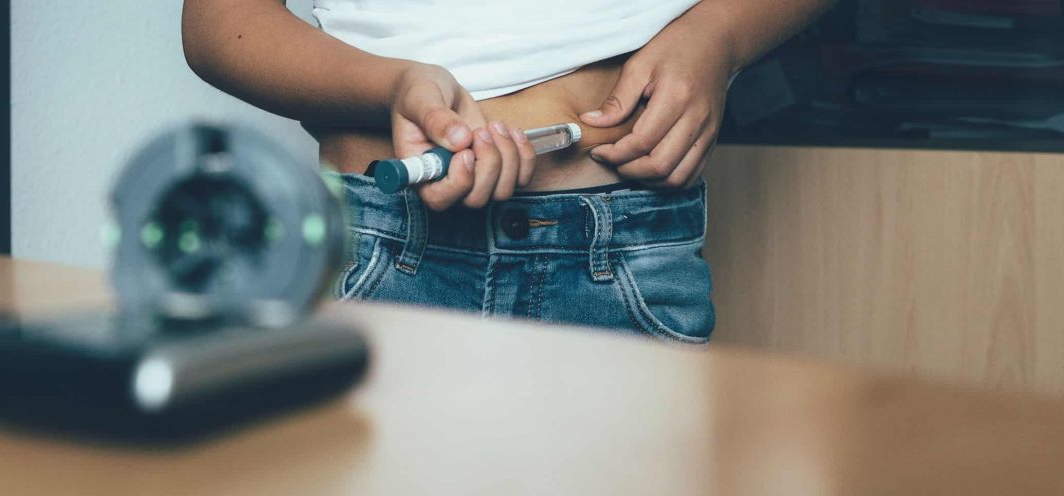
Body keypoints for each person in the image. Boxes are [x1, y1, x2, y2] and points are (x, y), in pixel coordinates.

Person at [182, 0, 831, 343]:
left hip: (626, 251)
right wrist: (396, 85)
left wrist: (718, 35)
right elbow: (221, 21)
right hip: (383, 248)